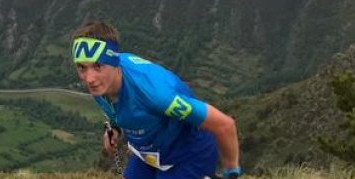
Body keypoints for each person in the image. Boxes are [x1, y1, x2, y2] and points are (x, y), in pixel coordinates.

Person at [72, 21, 242, 179]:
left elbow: (224, 125)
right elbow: (117, 107)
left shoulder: (156, 95)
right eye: (82, 67)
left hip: (189, 156)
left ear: (115, 62)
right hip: (148, 153)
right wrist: (114, 128)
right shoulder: (104, 83)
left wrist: (231, 171)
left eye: (97, 66)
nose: (89, 78)